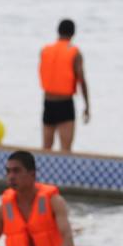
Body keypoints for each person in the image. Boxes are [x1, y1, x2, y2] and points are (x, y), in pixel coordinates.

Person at [39, 19, 90, 152]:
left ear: (58, 31)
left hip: (48, 101)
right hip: (65, 104)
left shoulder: (45, 50)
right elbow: (82, 80)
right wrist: (87, 106)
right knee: (65, 149)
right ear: (73, 33)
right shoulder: (75, 53)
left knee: (46, 147)